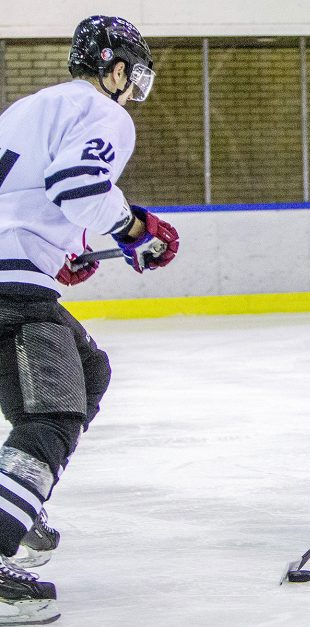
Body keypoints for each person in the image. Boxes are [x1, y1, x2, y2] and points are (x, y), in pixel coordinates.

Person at [0, 15, 179, 624]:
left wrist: (62, 248)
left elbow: (30, 193)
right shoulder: (105, 112)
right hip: (11, 286)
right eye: (135, 78)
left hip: (14, 272)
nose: (134, 92)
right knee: (55, 410)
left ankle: (15, 502)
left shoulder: (32, 106)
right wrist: (134, 228)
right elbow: (78, 183)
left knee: (86, 369)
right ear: (117, 68)